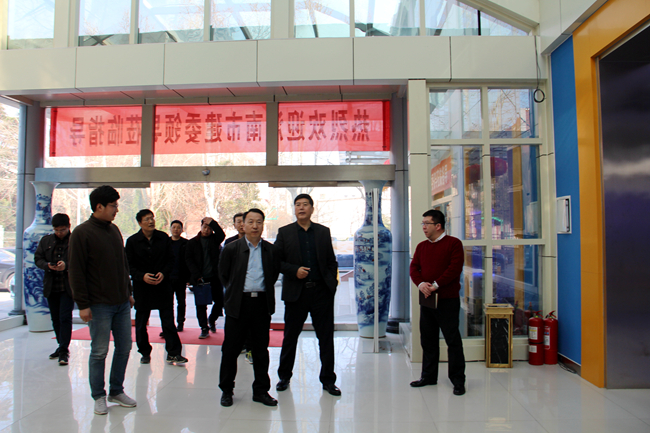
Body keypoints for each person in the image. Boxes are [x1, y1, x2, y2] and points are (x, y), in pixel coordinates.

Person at [68, 185, 136, 415]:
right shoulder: (82, 233)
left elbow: (123, 264)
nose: (117, 209)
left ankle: (116, 390)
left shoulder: (114, 230)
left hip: (121, 303)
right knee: (99, 351)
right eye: (113, 205)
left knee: (124, 347)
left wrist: (128, 292)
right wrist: (83, 305)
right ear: (99, 206)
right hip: (98, 305)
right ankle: (98, 395)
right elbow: (76, 271)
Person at [274, 194, 341, 396]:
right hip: (297, 293)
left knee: (325, 338)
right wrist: (294, 270)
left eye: (305, 205)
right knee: (290, 337)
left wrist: (331, 285)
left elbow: (331, 261)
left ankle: (328, 380)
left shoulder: (323, 232)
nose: (301, 208)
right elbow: (276, 261)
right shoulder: (284, 232)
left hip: (321, 292)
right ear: (294, 209)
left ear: (312, 208)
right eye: (298, 205)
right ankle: (284, 377)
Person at [218, 208, 281, 407]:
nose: (255, 226)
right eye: (251, 222)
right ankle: (227, 390)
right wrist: (235, 292)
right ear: (243, 225)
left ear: (263, 225)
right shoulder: (231, 249)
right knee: (231, 349)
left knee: (261, 350)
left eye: (259, 222)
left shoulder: (271, 250)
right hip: (238, 303)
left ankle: (261, 391)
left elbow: (272, 275)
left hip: (261, 304)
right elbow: (224, 275)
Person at [409, 209, 466, 396]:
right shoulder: (422, 247)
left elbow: (454, 269)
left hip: (447, 300)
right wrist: (421, 284)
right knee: (428, 339)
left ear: (438, 226)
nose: (424, 227)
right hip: (427, 300)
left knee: (452, 340)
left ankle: (458, 380)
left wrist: (435, 285)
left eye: (427, 223)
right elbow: (414, 268)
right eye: (423, 223)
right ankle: (428, 376)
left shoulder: (454, 244)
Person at [125, 209, 188, 366]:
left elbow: (171, 260)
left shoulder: (163, 238)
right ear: (140, 223)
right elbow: (128, 265)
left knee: (168, 321)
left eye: (152, 218)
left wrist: (163, 273)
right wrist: (141, 276)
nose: (151, 221)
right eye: (147, 219)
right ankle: (144, 352)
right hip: (142, 287)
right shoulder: (132, 241)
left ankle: (173, 353)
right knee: (141, 323)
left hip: (162, 285)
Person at [34, 213, 74, 366]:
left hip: (67, 286)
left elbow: (82, 260)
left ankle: (64, 350)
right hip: (51, 285)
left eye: (62, 230)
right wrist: (47, 265)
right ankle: (61, 345)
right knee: (55, 318)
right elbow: (38, 258)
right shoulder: (46, 241)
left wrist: (66, 265)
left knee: (65, 317)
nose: (59, 233)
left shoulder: (74, 240)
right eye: (56, 230)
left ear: (68, 227)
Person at [185, 217, 226, 339]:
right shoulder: (192, 243)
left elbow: (221, 234)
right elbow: (188, 260)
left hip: (215, 277)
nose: (206, 230)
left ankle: (212, 319)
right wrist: (195, 274)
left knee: (220, 301)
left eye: (209, 228)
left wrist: (213, 223)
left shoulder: (215, 240)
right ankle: (204, 327)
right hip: (199, 278)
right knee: (201, 305)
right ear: (201, 227)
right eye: (204, 227)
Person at [225, 212, 253, 364]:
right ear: (234, 225)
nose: (241, 224)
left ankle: (249, 348)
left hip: (251, 288)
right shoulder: (229, 243)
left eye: (244, 221)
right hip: (233, 288)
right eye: (238, 222)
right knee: (234, 319)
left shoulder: (255, 242)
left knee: (250, 321)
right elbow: (223, 269)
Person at [169, 220, 190, 332]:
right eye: (174, 227)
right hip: (168, 278)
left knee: (181, 302)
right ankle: (169, 325)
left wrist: (189, 278)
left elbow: (188, 261)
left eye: (178, 227)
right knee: (168, 303)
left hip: (181, 277)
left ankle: (180, 322)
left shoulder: (186, 243)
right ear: (170, 229)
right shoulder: (166, 243)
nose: (176, 229)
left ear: (182, 230)